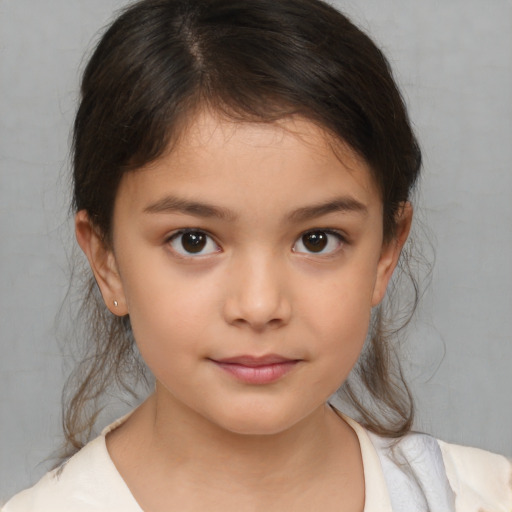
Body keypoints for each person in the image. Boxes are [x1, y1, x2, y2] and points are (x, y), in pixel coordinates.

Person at [3, 0, 511, 510]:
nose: (261, 305)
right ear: (106, 260)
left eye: (318, 240)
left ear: (385, 253)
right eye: (193, 240)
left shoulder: (484, 497)